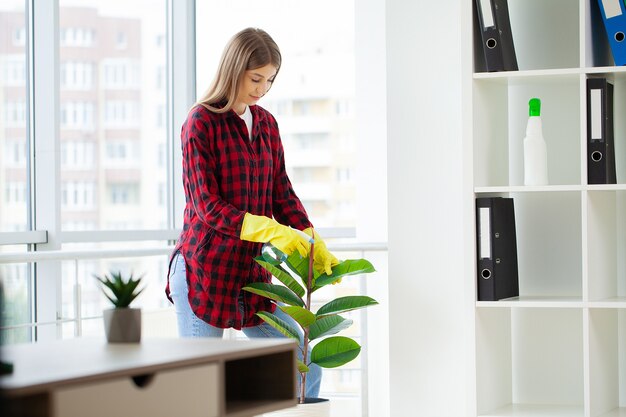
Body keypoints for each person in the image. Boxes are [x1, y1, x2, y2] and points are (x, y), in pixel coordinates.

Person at [165, 27, 339, 399]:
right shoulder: (200, 123)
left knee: (305, 359)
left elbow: (281, 192)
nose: (262, 88)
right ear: (234, 69)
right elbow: (207, 207)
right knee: (201, 390)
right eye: (255, 78)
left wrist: (310, 236)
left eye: (270, 80)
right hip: (204, 273)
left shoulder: (266, 125)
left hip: (250, 278)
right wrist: (272, 232)